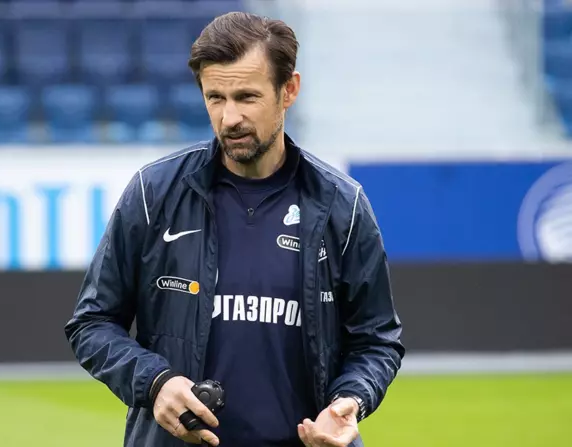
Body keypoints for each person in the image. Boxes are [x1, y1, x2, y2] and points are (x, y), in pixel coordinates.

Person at [65, 11, 405, 447]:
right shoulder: (154, 193)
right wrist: (155, 383)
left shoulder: (343, 204)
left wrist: (349, 400)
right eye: (215, 98)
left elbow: (377, 341)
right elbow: (91, 323)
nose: (229, 118)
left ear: (289, 90)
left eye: (247, 97)